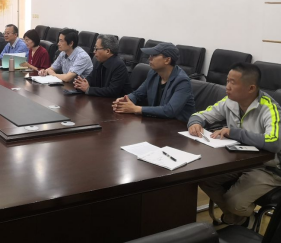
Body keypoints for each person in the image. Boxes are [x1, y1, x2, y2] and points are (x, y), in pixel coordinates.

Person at [188, 63, 281, 227]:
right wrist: (195, 123)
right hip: (239, 161)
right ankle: (240, 219)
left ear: (251, 88)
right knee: (205, 180)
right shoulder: (230, 102)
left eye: (233, 82)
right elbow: (201, 115)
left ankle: (240, 216)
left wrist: (234, 132)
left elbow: (274, 143)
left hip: (269, 168)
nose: (227, 86)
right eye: (227, 81)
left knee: (234, 203)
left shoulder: (269, 108)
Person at [112, 42, 195, 121]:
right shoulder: (153, 73)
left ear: (167, 60)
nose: (149, 58)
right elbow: (138, 94)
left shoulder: (182, 81)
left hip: (178, 125)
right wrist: (126, 100)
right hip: (157, 121)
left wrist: (136, 109)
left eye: (154, 55)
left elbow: (170, 110)